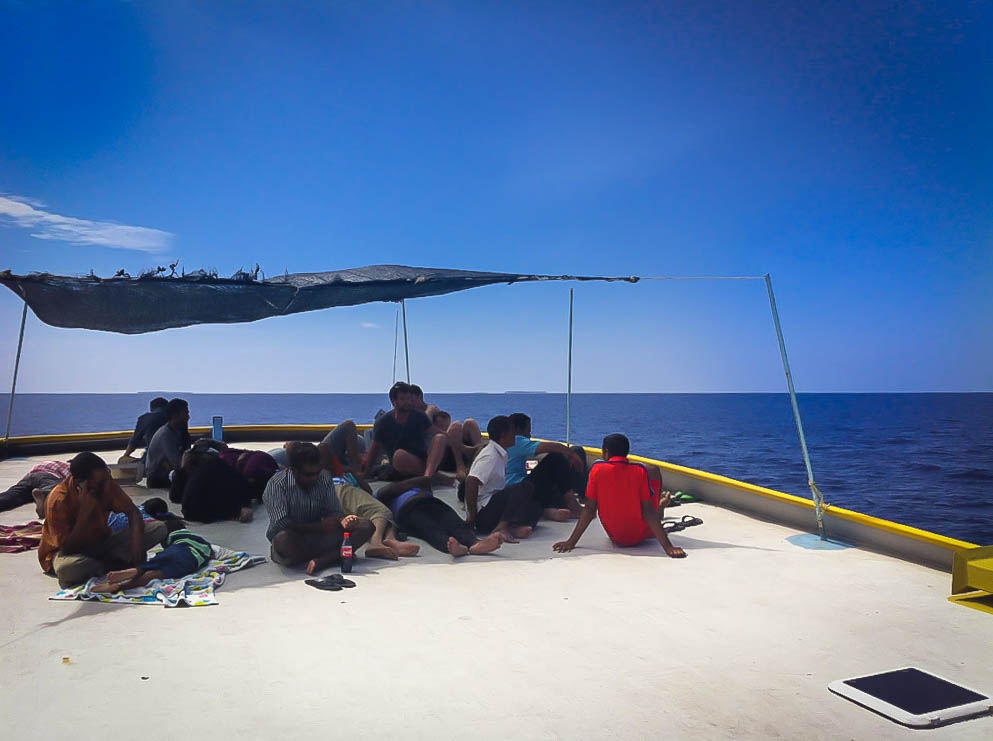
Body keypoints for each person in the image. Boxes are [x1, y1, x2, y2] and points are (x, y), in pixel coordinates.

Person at [38, 452, 168, 587]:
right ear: (80, 484)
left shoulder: (105, 483)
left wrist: (137, 542)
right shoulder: (58, 500)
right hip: (68, 553)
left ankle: (110, 563)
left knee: (159, 528)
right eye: (100, 483)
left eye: (108, 477)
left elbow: (132, 512)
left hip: (101, 543)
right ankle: (112, 563)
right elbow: (68, 549)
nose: (106, 485)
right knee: (67, 570)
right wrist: (84, 513)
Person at [553, 434, 686, 558]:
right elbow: (648, 512)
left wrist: (571, 541)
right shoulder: (640, 471)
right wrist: (668, 547)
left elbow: (589, 510)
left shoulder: (596, 470)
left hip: (615, 536)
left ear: (606, 452)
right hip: (641, 535)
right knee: (653, 470)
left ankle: (660, 509)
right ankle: (660, 509)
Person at [263, 442, 375, 575]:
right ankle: (336, 555)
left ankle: (324, 560)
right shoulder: (276, 485)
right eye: (309, 475)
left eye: (317, 472)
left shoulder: (324, 477)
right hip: (295, 540)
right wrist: (319, 527)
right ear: (294, 470)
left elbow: (334, 511)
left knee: (366, 526)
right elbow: (281, 523)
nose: (315, 478)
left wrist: (343, 520)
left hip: (319, 537)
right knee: (283, 539)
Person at [463, 416, 546, 542]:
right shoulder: (490, 456)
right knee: (525, 486)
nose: (516, 436)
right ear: (503, 436)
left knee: (536, 506)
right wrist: (472, 517)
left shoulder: (501, 453)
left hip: (493, 506)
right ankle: (502, 527)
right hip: (484, 513)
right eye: (513, 433)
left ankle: (511, 527)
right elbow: (471, 481)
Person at [375, 475, 503, 557]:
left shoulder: (419, 484)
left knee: (453, 521)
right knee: (429, 529)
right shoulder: (382, 494)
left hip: (432, 503)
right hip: (408, 510)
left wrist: (402, 486)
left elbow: (425, 479)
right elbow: (384, 493)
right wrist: (403, 486)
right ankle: (452, 545)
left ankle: (474, 543)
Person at [90, 519, 213, 593]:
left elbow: (167, 548)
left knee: (153, 564)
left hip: (176, 549)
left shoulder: (171, 537)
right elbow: (211, 553)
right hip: (190, 559)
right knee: (154, 575)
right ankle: (120, 586)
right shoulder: (200, 540)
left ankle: (134, 570)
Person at [363, 382, 451, 482]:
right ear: (394, 401)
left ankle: (427, 478)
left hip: (423, 460)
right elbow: (374, 449)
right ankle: (433, 476)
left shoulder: (419, 416)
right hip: (401, 464)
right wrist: (366, 473)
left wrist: (459, 445)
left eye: (409, 399)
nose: (407, 402)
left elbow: (435, 432)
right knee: (399, 455)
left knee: (441, 437)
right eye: (403, 399)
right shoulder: (383, 423)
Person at [506, 412, 585, 516]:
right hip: (517, 488)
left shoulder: (504, 442)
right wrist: (571, 454)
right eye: (528, 431)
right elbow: (553, 447)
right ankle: (576, 504)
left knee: (556, 485)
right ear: (518, 429)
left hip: (513, 490)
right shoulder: (516, 440)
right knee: (556, 457)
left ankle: (549, 511)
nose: (529, 436)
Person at [334, 475, 419, 560]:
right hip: (338, 484)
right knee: (380, 510)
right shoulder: (338, 476)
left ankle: (389, 539)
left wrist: (354, 473)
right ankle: (375, 543)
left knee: (374, 517)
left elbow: (368, 490)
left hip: (341, 488)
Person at [144, 398, 192, 487]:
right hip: (157, 477)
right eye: (185, 413)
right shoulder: (166, 434)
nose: (188, 417)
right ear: (175, 415)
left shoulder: (179, 431)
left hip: (168, 471)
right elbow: (177, 463)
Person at [0, 460, 69, 514]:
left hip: (29, 478)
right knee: (58, 490)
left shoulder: (53, 463)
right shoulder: (70, 467)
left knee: (12, 496)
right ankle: (44, 494)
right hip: (47, 476)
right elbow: (70, 484)